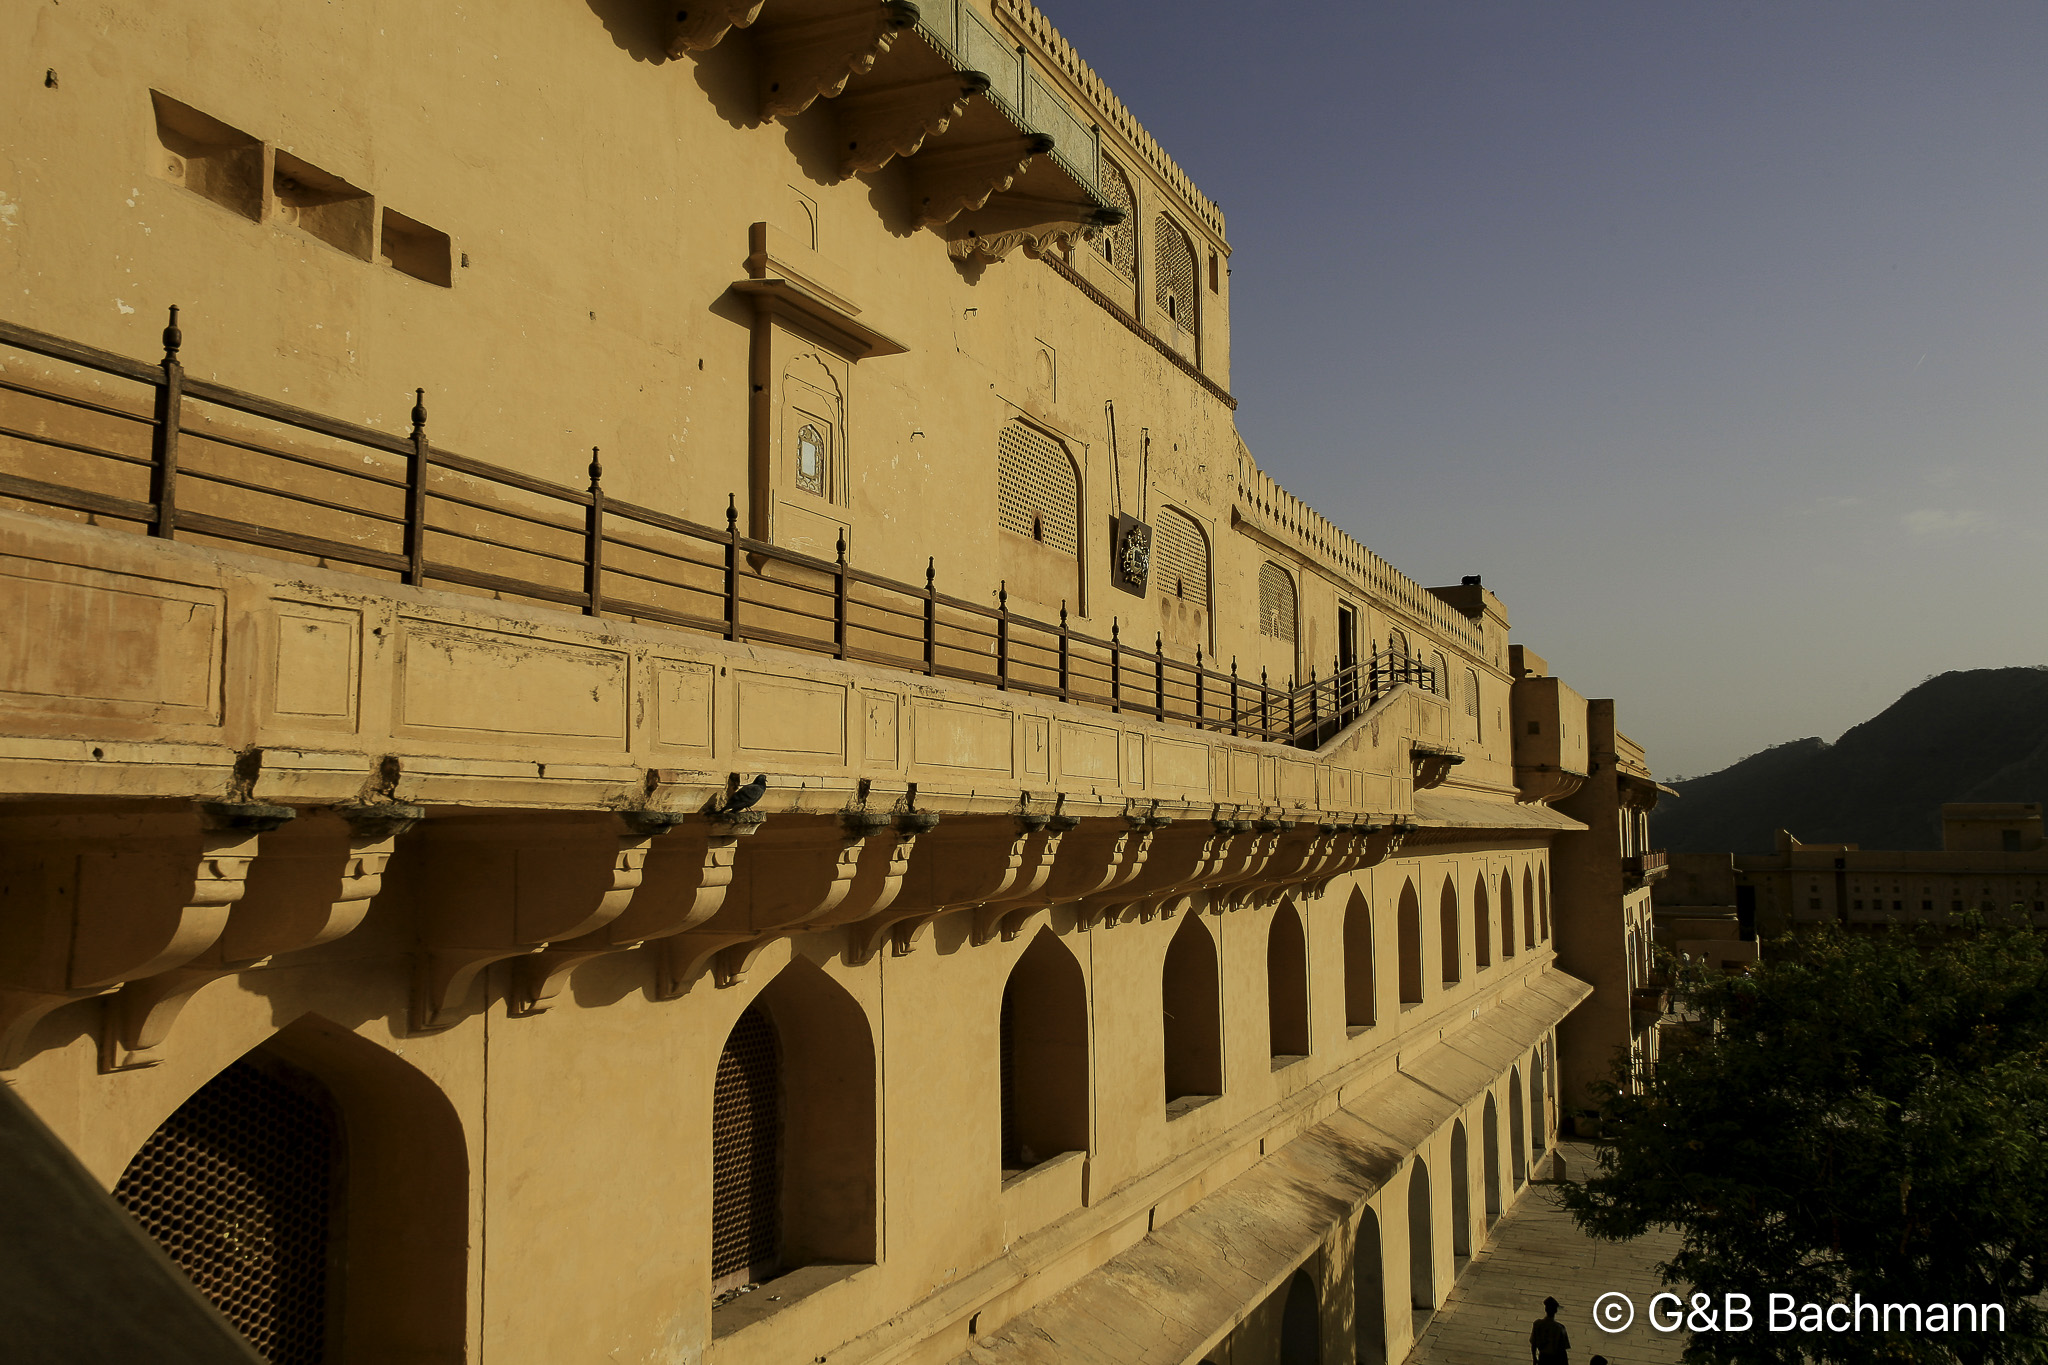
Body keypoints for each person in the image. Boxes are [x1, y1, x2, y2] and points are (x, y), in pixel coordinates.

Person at [1531, 1296, 1570, 1365]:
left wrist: (1534, 1358)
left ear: (1545, 1309)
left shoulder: (1537, 1324)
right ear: (1556, 1311)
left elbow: (1533, 1344)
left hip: (1542, 1358)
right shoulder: (1560, 1328)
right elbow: (1562, 1350)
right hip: (1554, 1360)